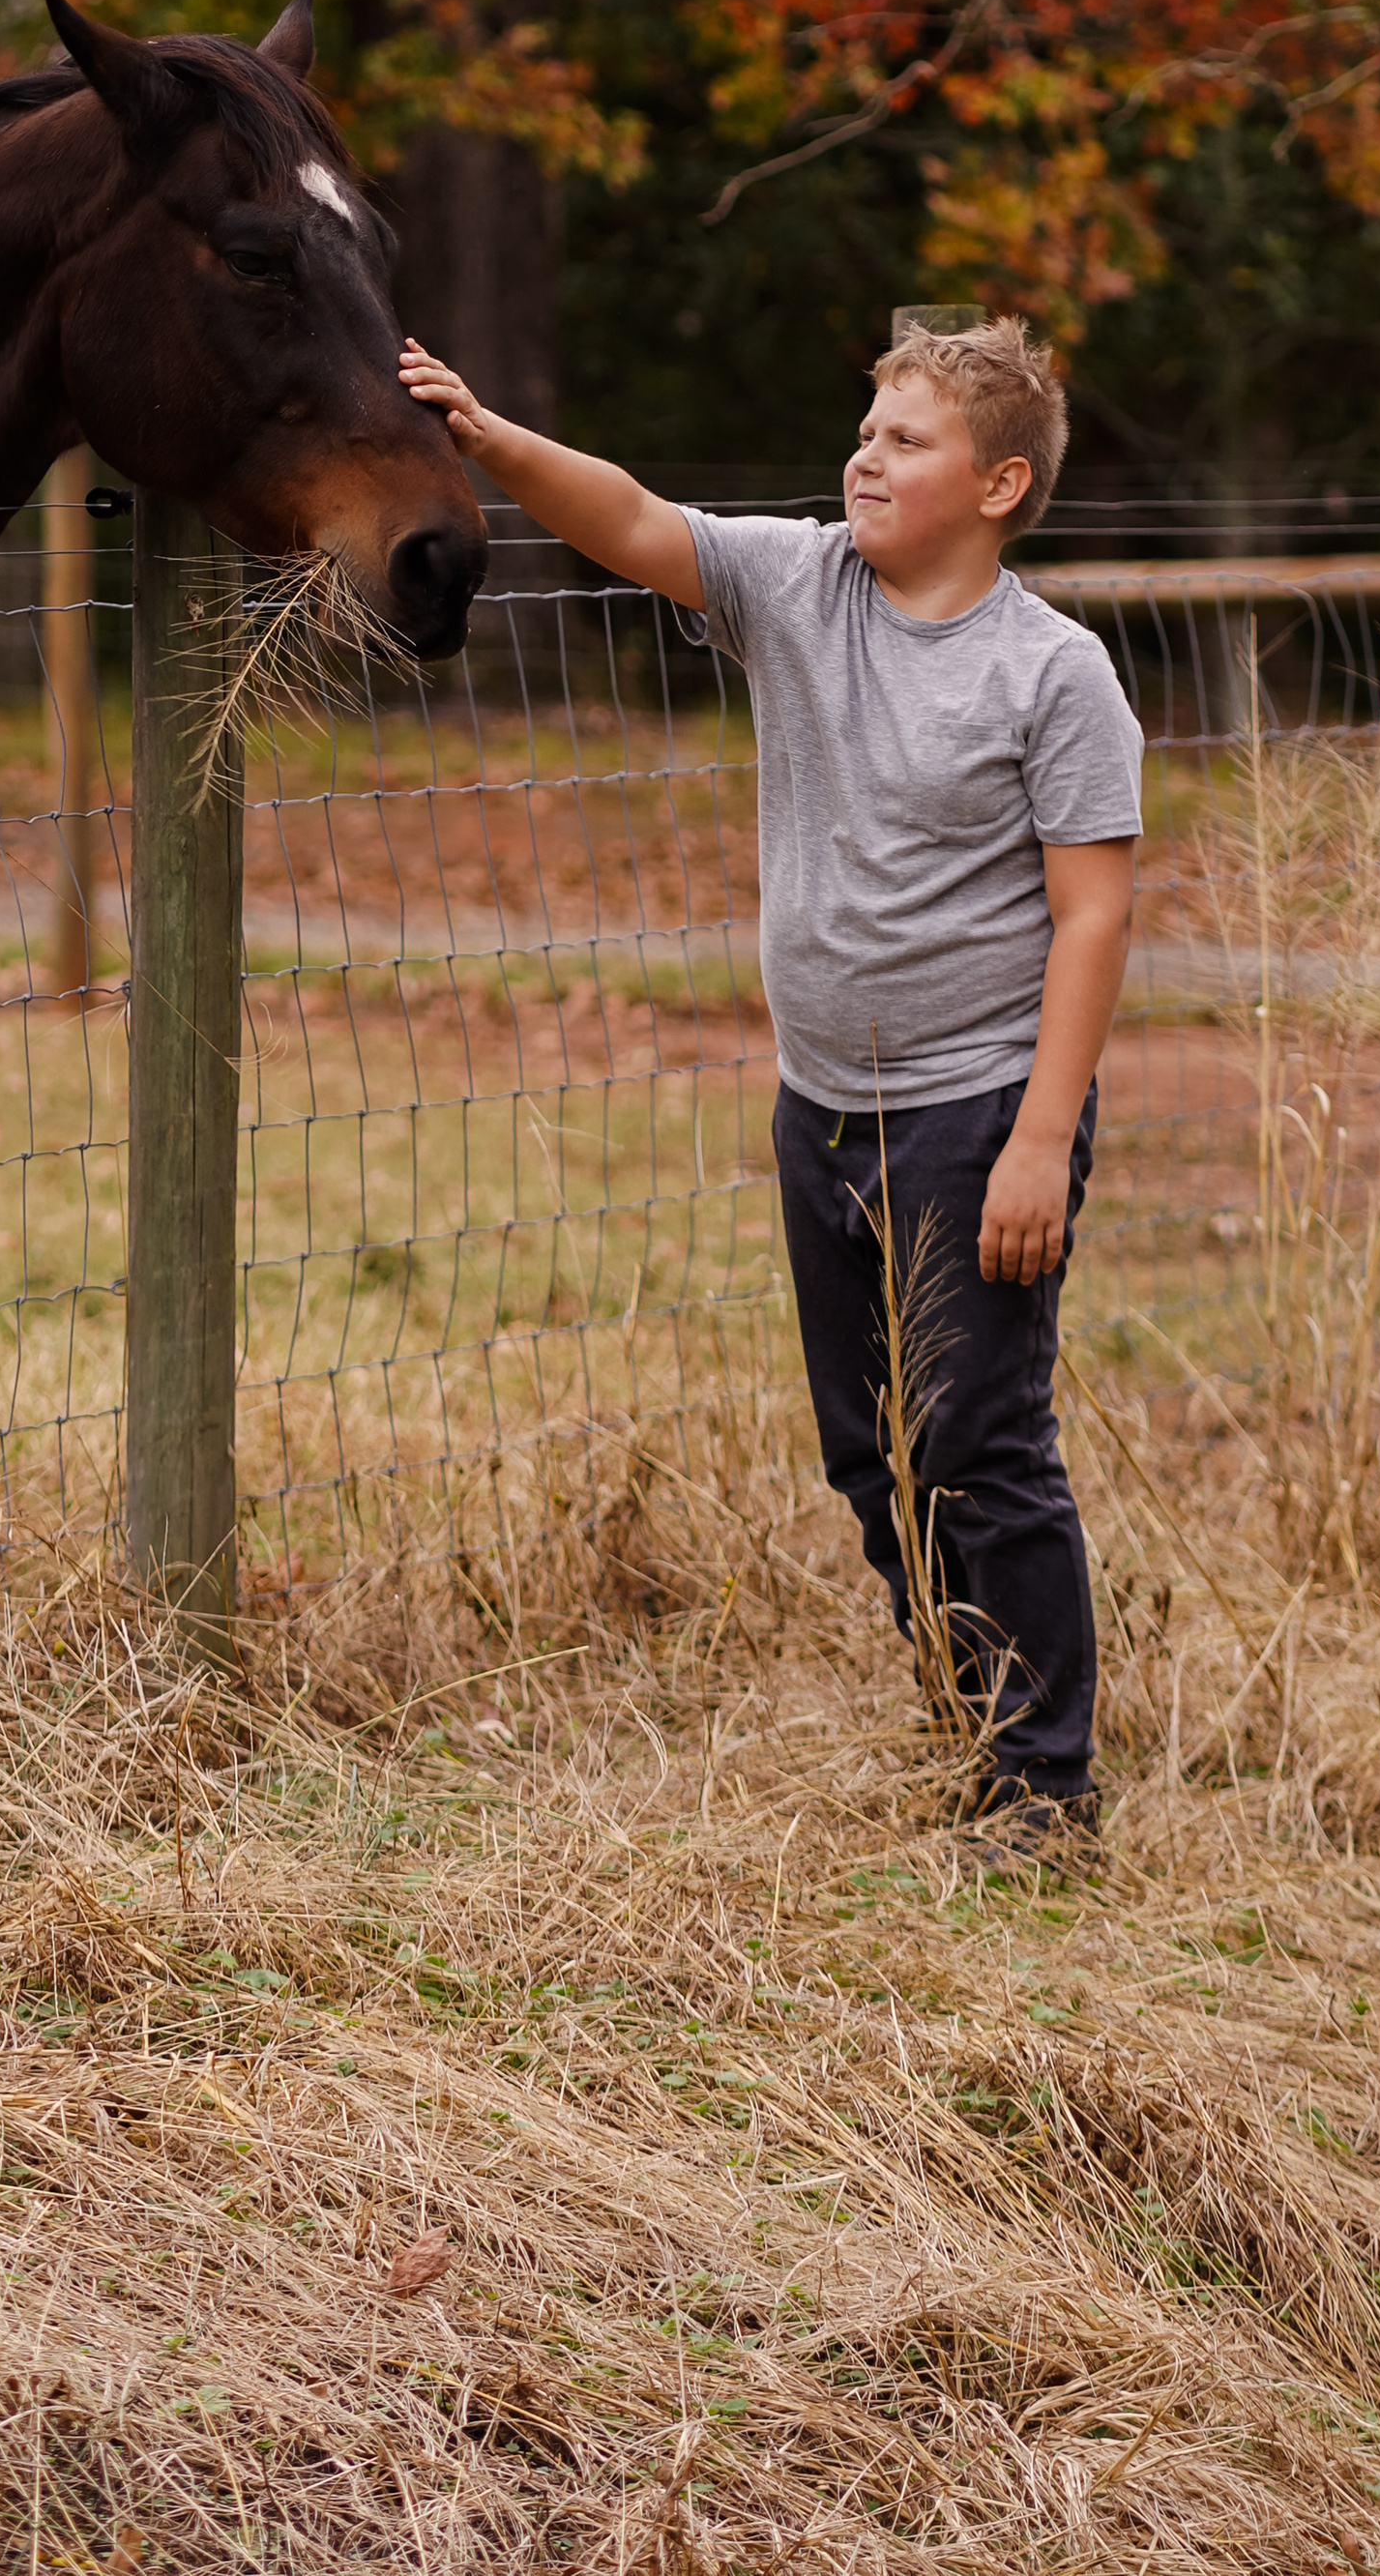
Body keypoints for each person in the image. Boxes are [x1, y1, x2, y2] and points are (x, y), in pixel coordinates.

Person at [397, 316, 1141, 1849]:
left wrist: (1039, 1136)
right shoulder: (804, 588)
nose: (868, 456)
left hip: (978, 1109)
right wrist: (483, 430)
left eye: (909, 440)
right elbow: (631, 519)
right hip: (823, 1104)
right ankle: (965, 1704)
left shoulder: (1051, 674)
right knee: (870, 1445)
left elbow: (1094, 911)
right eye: (866, 431)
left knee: (978, 1440)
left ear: (1000, 484)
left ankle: (1043, 1784)